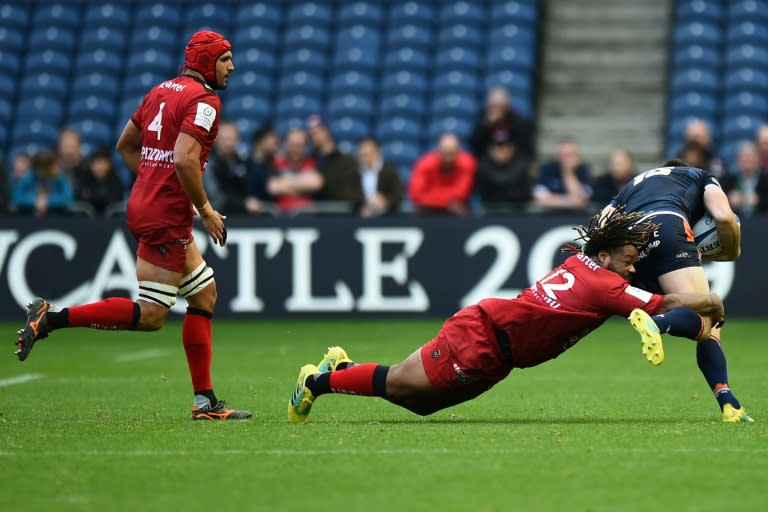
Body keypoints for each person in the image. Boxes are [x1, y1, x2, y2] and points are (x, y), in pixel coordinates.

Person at [288, 208, 727, 423]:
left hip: (499, 351)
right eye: (629, 259)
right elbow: (668, 307)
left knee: (418, 404)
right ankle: (315, 382)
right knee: (403, 384)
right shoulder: (605, 286)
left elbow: (647, 300)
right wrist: (709, 300)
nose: (634, 268)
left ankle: (342, 367)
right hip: (482, 335)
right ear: (607, 255)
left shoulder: (582, 262)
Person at [14, 30, 251, 421]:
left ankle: (205, 401)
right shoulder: (205, 102)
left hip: (148, 204)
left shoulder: (159, 91)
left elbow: (125, 144)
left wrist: (150, 181)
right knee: (152, 316)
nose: (232, 67)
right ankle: (50, 317)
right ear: (207, 61)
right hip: (165, 215)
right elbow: (184, 159)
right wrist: (205, 209)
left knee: (204, 296)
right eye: (226, 59)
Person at [601, 160, 752, 422]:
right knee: (709, 319)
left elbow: (601, 225)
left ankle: (728, 401)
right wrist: (731, 251)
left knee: (686, 309)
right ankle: (727, 401)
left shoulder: (630, 187)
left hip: (627, 244)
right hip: (668, 226)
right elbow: (725, 217)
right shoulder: (699, 175)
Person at [409, 132, 477, 216]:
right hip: (428, 210)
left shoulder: (467, 163)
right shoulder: (424, 164)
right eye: (445, 153)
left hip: (457, 210)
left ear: (458, 151)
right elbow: (416, 194)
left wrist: (432, 196)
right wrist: (446, 201)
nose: (448, 158)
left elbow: (462, 193)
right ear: (438, 151)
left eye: (451, 153)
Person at [307, 114, 363, 211]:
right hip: (316, 213)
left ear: (326, 131)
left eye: (317, 132)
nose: (314, 136)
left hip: (342, 213)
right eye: (311, 133)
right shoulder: (310, 159)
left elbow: (353, 192)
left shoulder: (346, 160)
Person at [469, 86, 534, 161]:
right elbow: (473, 144)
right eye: (494, 106)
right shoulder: (482, 118)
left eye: (500, 106)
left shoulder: (517, 121)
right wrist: (485, 125)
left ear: (507, 105)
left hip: (513, 162)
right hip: (487, 162)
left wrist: (508, 152)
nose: (497, 110)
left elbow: (526, 148)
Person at [267, 127, 323, 212]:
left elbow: (315, 184)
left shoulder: (313, 163)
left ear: (305, 146)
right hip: (280, 215)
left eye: (299, 146)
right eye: (292, 145)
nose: (295, 150)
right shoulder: (275, 164)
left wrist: (284, 184)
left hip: (308, 216)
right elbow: (273, 188)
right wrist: (303, 186)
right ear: (285, 145)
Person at [474, 128, 531, 210]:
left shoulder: (522, 165)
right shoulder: (483, 166)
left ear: (512, 149)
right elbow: (482, 193)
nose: (499, 151)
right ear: (490, 150)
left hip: (518, 211)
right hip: (489, 211)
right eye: (496, 147)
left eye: (504, 147)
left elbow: (525, 193)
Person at [532, 138, 592, 212]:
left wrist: (568, 172)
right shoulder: (547, 169)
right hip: (549, 215)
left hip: (577, 217)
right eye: (564, 155)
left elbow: (581, 201)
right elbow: (539, 198)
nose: (567, 159)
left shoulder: (583, 171)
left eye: (570, 155)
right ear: (557, 156)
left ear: (577, 156)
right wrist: (569, 201)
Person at [10, 149, 74, 216]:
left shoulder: (59, 177)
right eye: (41, 167)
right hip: (29, 216)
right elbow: (15, 198)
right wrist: (35, 201)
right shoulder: (30, 177)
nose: (55, 168)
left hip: (56, 216)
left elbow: (68, 199)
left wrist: (48, 201)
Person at [204, 120, 249, 214]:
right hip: (215, 215)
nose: (228, 143)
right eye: (225, 139)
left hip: (242, 216)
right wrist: (244, 203)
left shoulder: (242, 161)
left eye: (232, 139)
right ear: (216, 140)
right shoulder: (208, 163)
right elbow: (215, 197)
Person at [356, 137, 402, 217]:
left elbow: (398, 194)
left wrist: (384, 201)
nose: (364, 156)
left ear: (377, 151)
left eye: (367, 154)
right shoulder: (353, 172)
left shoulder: (390, 170)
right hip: (358, 216)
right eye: (362, 155)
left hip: (387, 218)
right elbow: (348, 194)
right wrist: (365, 205)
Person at [721, 142, 768, 217]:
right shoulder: (729, 179)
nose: (747, 160)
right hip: (736, 221)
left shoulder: (765, 179)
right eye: (744, 157)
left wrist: (759, 200)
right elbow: (719, 199)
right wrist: (729, 200)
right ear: (738, 160)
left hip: (761, 221)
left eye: (751, 157)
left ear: (758, 160)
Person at [74, 148, 125, 215]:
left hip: (112, 223)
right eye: (97, 163)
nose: (100, 167)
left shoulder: (116, 182)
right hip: (84, 222)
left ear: (110, 164)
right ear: (90, 165)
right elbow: (80, 200)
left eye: (103, 163)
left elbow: (115, 201)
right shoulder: (83, 181)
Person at [244, 125, 278, 214]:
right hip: (246, 213)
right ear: (259, 143)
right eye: (272, 142)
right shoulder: (244, 165)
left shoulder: (274, 165)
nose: (275, 145)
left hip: (269, 212)